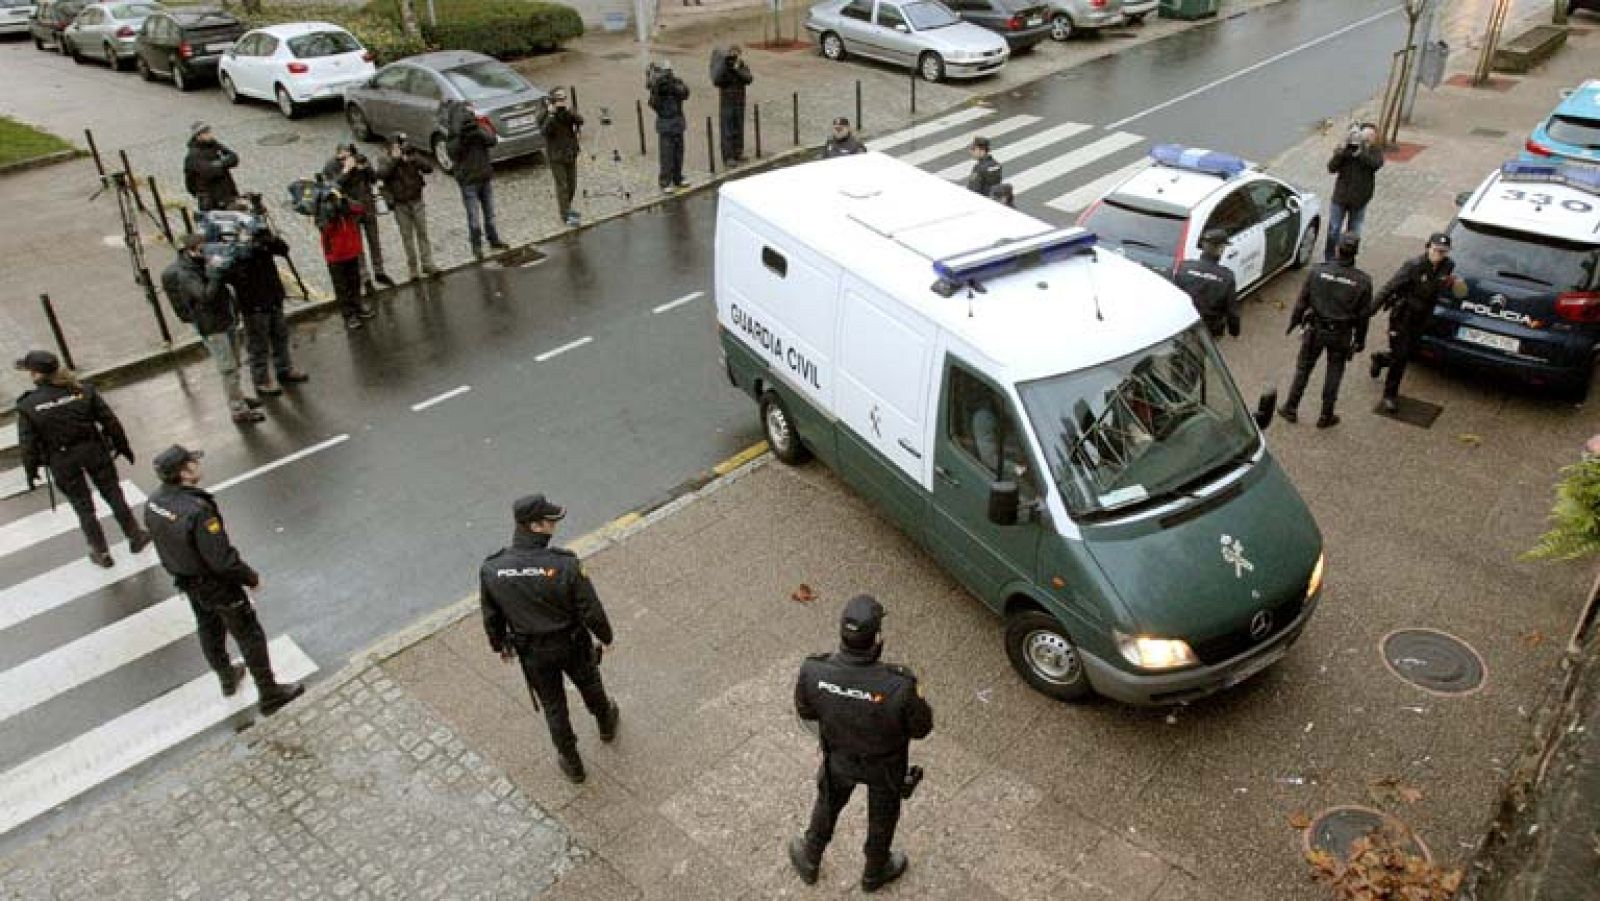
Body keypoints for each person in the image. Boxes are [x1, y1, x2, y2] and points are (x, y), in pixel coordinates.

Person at [145, 445, 305, 717]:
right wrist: (250, 577)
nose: (197, 464)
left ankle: (227, 676)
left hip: (187, 581)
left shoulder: (154, 502)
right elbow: (221, 559)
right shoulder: (197, 509)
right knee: (249, 634)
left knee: (209, 630)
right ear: (184, 472)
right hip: (217, 585)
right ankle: (269, 693)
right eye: (192, 462)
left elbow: (161, 542)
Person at [789, 595, 933, 894]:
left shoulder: (813, 670)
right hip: (886, 767)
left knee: (828, 801)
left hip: (839, 757)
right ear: (877, 639)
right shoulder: (900, 684)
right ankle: (874, 871)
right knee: (883, 815)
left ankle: (810, 856)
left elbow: (806, 712)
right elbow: (921, 729)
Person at [480, 494, 619, 784]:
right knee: (589, 682)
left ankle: (572, 762)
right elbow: (589, 607)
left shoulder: (492, 569)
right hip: (571, 642)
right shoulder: (565, 564)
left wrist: (500, 645)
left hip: (533, 651)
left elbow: (492, 614)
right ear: (535, 526)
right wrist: (605, 636)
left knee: (553, 705)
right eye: (550, 520)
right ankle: (606, 722)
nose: (554, 524)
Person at [14, 350, 150, 568]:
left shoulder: (28, 405)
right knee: (114, 494)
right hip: (94, 451)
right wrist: (123, 446)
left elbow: (27, 444)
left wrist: (31, 471)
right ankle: (135, 536)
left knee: (83, 506)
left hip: (62, 459)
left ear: (37, 375)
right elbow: (110, 421)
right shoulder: (82, 391)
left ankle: (101, 552)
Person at [161, 233, 264, 424]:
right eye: (202, 250)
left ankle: (238, 396)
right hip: (212, 326)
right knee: (228, 368)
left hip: (225, 318)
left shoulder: (200, 264)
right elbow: (204, 296)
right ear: (192, 251)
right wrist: (215, 273)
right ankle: (238, 410)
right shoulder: (186, 274)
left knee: (235, 362)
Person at [1281, 233, 1374, 429]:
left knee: (1303, 369)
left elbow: (1302, 301)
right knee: (1334, 372)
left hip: (1315, 329)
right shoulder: (1363, 281)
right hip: (1341, 334)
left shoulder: (1317, 271)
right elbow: (1363, 316)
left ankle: (1291, 407)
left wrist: (1294, 322)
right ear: (1355, 253)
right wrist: (1360, 340)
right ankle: (1326, 414)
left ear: (1337, 249)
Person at [222, 202, 308, 397]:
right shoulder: (230, 244)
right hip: (252, 301)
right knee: (258, 343)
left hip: (272, 294)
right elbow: (229, 274)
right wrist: (246, 250)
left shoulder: (260, 235)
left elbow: (283, 249)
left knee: (280, 335)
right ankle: (261, 380)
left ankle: (284, 368)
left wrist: (267, 236)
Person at [1371, 232, 1456, 413]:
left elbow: (1443, 286)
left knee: (1409, 352)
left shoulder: (1447, 266)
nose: (1439, 255)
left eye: (1443, 252)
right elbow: (1389, 287)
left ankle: (1381, 359)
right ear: (1428, 247)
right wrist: (1369, 311)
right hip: (1403, 315)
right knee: (1401, 357)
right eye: (1436, 250)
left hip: (1423, 316)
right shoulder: (1413, 266)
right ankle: (1389, 395)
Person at [324, 144, 392, 293]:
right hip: (350, 212)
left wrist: (366, 168)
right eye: (344, 155)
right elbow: (333, 188)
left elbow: (374, 178)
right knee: (357, 246)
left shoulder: (360, 159)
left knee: (374, 241)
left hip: (367, 207)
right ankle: (365, 278)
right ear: (338, 155)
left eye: (349, 154)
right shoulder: (331, 166)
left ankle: (379, 271)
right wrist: (347, 170)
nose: (348, 157)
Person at [447, 100, 509, 259]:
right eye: (467, 112)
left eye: (471, 112)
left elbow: (492, 140)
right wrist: (463, 137)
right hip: (468, 181)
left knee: (490, 214)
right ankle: (476, 246)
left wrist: (478, 132)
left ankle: (493, 239)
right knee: (473, 217)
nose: (470, 115)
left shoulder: (479, 126)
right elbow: (453, 153)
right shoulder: (455, 133)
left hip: (484, 176)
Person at [375, 133, 438, 281]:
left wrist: (413, 157)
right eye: (395, 147)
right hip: (400, 204)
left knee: (422, 233)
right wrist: (396, 161)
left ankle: (428, 264)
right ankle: (413, 268)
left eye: (399, 146)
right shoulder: (384, 160)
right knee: (407, 237)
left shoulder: (410, 156)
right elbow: (381, 175)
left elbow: (428, 168)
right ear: (389, 149)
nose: (398, 149)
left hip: (416, 200)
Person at [316, 180, 375, 331]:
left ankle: (358, 306)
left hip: (351, 251)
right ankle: (348, 315)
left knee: (354, 282)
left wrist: (345, 204)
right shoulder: (321, 210)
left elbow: (360, 208)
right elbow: (324, 229)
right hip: (335, 255)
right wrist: (331, 215)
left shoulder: (345, 203)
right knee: (341, 286)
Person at [1324, 122, 1383, 261]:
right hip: (1341, 197)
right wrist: (1342, 151)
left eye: (1371, 136)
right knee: (1334, 230)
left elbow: (1375, 164)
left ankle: (1348, 258)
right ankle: (1329, 258)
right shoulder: (1347, 149)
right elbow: (1331, 168)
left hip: (1360, 200)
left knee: (1354, 232)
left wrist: (1361, 153)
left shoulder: (1374, 151)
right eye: (1365, 135)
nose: (1368, 139)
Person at [1173, 229, 1241, 338]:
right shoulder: (1227, 277)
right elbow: (1232, 311)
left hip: (1185, 325)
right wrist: (1234, 331)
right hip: (1210, 331)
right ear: (1221, 249)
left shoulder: (1184, 266)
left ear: (1203, 246)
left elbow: (1175, 297)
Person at [539, 88, 585, 227]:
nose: (562, 100)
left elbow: (580, 120)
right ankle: (565, 215)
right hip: (556, 155)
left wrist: (569, 111)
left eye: (564, 98)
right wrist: (551, 114)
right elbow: (544, 131)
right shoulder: (545, 114)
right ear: (552, 99)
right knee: (562, 185)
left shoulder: (567, 111)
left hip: (570, 152)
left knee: (572, 184)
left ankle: (567, 207)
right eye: (559, 98)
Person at [649, 60, 691, 192]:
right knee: (666, 155)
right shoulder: (657, 86)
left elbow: (685, 93)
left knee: (678, 153)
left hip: (678, 122)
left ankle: (678, 178)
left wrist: (672, 85)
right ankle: (665, 182)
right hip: (666, 124)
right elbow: (653, 104)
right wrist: (657, 88)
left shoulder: (676, 82)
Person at [183, 123, 240, 213]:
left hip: (227, 194)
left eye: (209, 132)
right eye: (206, 133)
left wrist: (219, 163)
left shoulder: (215, 145)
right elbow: (209, 172)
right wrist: (223, 164)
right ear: (198, 136)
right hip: (210, 201)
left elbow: (234, 158)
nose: (209, 134)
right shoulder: (193, 155)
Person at [713, 44, 753, 167]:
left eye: (736, 54)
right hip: (727, 102)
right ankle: (728, 157)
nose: (734, 57)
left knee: (738, 128)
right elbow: (717, 81)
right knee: (727, 130)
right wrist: (726, 66)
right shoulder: (723, 67)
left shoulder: (741, 65)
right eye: (732, 54)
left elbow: (749, 78)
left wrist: (737, 69)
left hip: (739, 102)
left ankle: (738, 153)